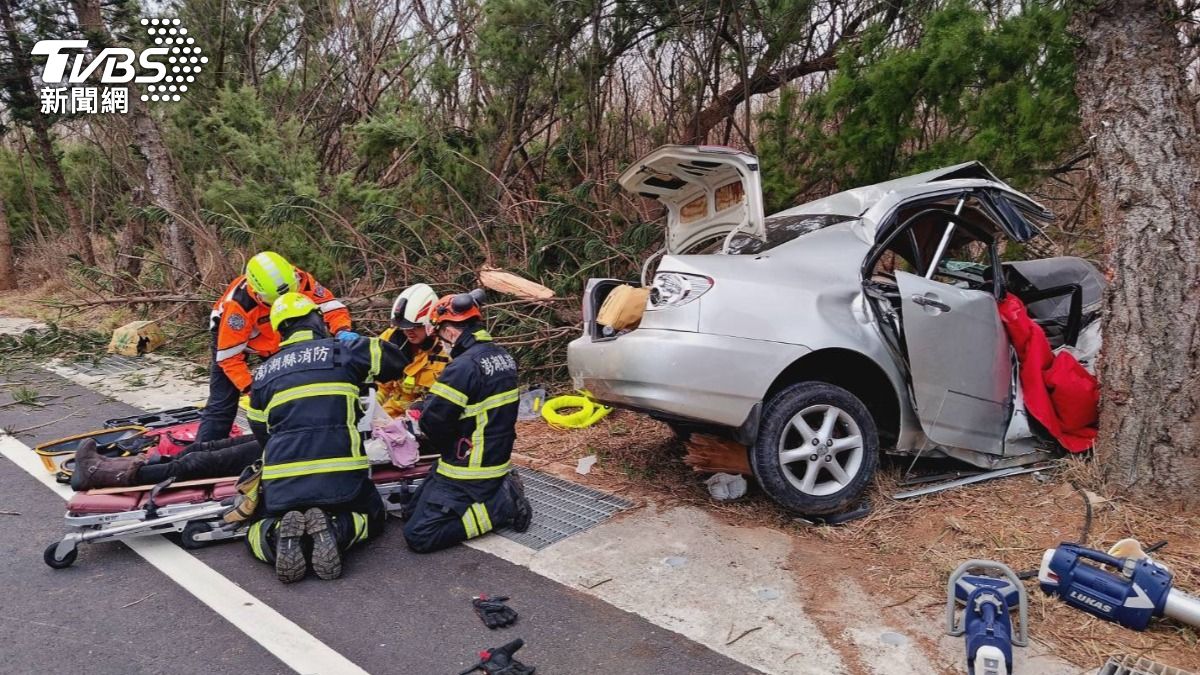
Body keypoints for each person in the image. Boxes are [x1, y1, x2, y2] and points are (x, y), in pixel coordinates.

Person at [244, 292, 411, 583]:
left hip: (284, 485)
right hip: (342, 480)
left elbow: (260, 432)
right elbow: (396, 361)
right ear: (317, 320)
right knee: (372, 516)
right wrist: (356, 342)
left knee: (255, 525)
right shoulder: (343, 352)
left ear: (280, 330)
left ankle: (273, 534)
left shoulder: (263, 374)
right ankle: (336, 530)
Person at [401, 290, 532, 554]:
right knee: (410, 511)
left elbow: (434, 423)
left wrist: (418, 419)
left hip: (471, 468)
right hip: (484, 455)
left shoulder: (464, 366)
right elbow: (469, 400)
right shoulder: (500, 355)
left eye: (439, 333)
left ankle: (502, 505)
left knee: (420, 535)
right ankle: (501, 490)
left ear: (449, 332)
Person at [197, 251, 358, 443]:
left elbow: (331, 307)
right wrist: (251, 388)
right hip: (234, 341)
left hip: (283, 335)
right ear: (257, 294)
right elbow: (229, 358)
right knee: (222, 403)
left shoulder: (300, 280)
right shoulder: (239, 306)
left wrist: (342, 330)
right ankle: (204, 452)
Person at [69, 435, 261, 491]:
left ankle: (100, 472)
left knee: (199, 462)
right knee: (197, 449)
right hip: (284, 438)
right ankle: (108, 467)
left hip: (286, 449)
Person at [375, 283, 452, 418]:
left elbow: (444, 397)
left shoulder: (445, 350)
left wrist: (416, 410)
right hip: (392, 411)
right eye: (404, 327)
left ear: (430, 323)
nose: (408, 332)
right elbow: (380, 382)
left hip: (426, 415)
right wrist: (371, 406)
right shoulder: (391, 340)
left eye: (415, 327)